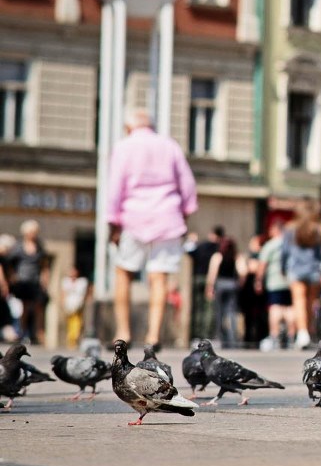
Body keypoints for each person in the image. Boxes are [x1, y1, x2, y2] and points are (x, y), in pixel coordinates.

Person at [106, 109, 198, 347]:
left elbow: (115, 186)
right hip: (167, 216)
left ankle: (123, 332)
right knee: (159, 278)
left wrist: (112, 221)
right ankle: (153, 336)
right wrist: (185, 212)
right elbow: (187, 183)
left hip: (133, 217)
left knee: (123, 272)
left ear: (129, 128)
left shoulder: (123, 147)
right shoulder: (170, 146)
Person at [283, 200, 321, 349]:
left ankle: (302, 333)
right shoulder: (318, 229)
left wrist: (283, 268)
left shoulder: (290, 229)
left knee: (298, 301)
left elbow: (285, 251)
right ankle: (309, 330)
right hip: (313, 269)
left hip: (296, 269)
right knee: (311, 303)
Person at [10, 220, 49, 344]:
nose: (34, 234)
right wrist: (13, 276)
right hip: (23, 281)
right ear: (26, 233)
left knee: (39, 307)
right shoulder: (18, 247)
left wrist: (45, 278)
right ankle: (22, 332)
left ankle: (38, 333)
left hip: (36, 281)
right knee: (25, 307)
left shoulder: (39, 246)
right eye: (32, 232)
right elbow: (10, 262)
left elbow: (44, 264)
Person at [258, 222, 292, 349]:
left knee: (275, 308)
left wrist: (259, 280)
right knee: (289, 309)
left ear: (275, 229)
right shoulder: (290, 244)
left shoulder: (270, 245)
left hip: (274, 281)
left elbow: (262, 264)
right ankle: (291, 336)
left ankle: (275, 336)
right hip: (290, 281)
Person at [205, 233, 240, 348]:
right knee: (231, 313)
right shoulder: (236, 256)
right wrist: (239, 283)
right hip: (232, 284)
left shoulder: (217, 256)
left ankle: (221, 338)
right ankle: (233, 338)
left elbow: (212, 273)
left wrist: (209, 287)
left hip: (220, 284)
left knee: (219, 313)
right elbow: (242, 271)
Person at [60, 265, 89, 348]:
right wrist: (63, 303)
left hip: (78, 305)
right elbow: (63, 293)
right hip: (69, 305)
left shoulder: (82, 282)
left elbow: (84, 293)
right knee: (70, 322)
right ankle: (71, 340)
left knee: (77, 322)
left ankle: (75, 338)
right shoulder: (65, 281)